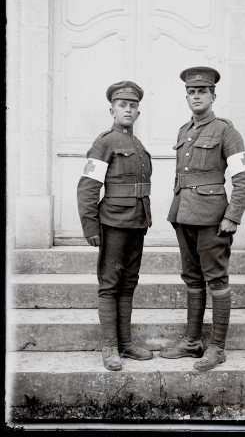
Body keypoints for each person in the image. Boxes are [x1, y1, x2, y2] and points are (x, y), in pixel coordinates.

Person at [160, 66, 245, 371]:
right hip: (183, 215)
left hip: (213, 219)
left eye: (202, 91)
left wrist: (232, 217)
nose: (196, 96)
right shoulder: (183, 131)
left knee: (216, 279)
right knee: (191, 278)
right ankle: (192, 341)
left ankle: (217, 347)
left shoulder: (226, 131)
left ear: (213, 96)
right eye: (191, 92)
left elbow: (243, 177)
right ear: (186, 97)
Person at [77, 81, 153, 371]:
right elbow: (87, 187)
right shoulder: (105, 142)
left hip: (137, 224)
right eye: (123, 105)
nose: (129, 110)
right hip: (112, 224)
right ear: (112, 109)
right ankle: (110, 348)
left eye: (133, 106)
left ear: (138, 112)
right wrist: (91, 227)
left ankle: (126, 344)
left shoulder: (137, 144)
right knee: (110, 285)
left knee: (129, 283)